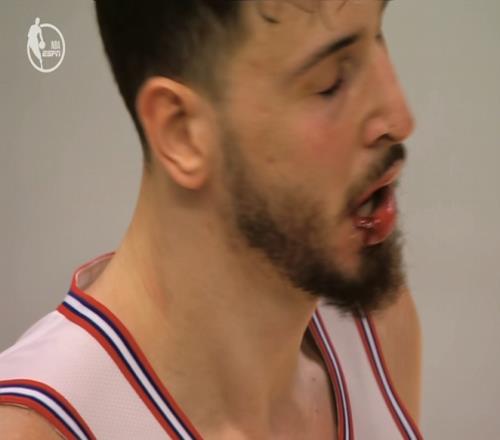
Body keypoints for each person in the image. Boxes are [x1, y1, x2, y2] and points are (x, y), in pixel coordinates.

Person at [0, 0, 423, 438]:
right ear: (181, 132)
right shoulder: (31, 429)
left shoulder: (374, 330)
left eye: (379, 35)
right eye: (330, 83)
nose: (400, 118)